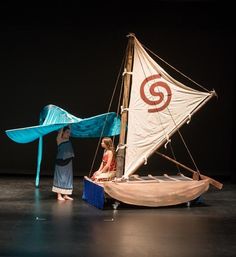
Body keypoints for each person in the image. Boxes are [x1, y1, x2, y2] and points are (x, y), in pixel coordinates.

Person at [52, 126, 75, 201]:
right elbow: (60, 132)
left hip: (68, 161)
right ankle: (59, 195)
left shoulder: (68, 140)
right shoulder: (59, 140)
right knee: (60, 177)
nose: (69, 134)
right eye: (67, 132)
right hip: (60, 161)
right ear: (63, 133)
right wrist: (64, 123)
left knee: (68, 178)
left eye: (69, 133)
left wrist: (69, 123)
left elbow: (70, 127)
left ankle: (65, 195)